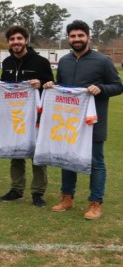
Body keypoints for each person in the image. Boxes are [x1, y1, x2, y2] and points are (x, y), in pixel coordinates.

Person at [45, 20, 122, 220]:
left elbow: (118, 85)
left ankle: (95, 203)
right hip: (68, 121)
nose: (77, 39)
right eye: (73, 36)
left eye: (80, 35)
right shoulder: (64, 61)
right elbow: (62, 86)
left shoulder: (103, 61)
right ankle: (67, 198)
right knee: (67, 159)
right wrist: (53, 86)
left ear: (88, 37)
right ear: (68, 38)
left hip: (93, 122)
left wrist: (102, 88)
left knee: (96, 162)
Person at [0, 25, 54, 207]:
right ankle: (16, 190)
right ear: (9, 42)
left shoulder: (40, 62)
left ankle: (37, 193)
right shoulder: (8, 63)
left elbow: (51, 84)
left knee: (37, 153)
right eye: (12, 39)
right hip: (14, 115)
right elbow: (6, 85)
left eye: (19, 39)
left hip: (35, 115)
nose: (16, 42)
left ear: (26, 40)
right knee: (16, 152)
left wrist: (40, 83)